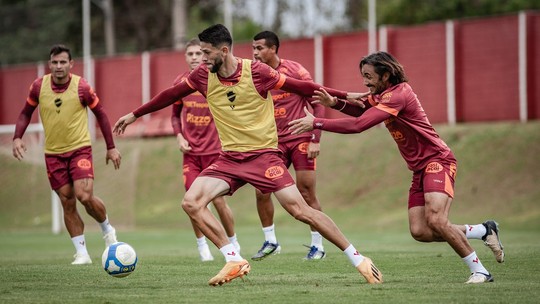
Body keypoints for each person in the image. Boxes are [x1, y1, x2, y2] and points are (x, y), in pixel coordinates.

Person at [114, 24, 383, 286]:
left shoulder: (256, 72)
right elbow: (170, 94)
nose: (202, 59)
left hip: (263, 157)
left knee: (301, 210)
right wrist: (134, 114)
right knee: (191, 202)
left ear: (223, 50)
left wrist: (344, 95)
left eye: (207, 53)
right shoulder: (201, 76)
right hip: (228, 160)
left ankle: (358, 258)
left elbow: (302, 86)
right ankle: (233, 259)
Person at [288, 51, 505, 284]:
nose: (365, 82)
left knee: (437, 220)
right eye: (363, 76)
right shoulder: (383, 95)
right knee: (420, 231)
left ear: (386, 74)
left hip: (437, 160)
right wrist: (336, 103)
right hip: (419, 168)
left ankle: (480, 271)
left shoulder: (398, 95)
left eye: (369, 76)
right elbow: (362, 110)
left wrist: (317, 122)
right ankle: (483, 231)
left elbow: (360, 124)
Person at [12, 44, 122, 265]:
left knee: (84, 196)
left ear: (71, 64)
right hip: (53, 154)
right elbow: (25, 113)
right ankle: (81, 253)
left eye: (63, 62)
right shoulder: (38, 87)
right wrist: (17, 137)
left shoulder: (81, 86)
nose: (59, 66)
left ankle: (108, 230)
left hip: (79, 149)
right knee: (67, 201)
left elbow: (101, 114)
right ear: (50, 64)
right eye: (55, 62)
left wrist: (111, 147)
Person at [251, 30, 326, 261]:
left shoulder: (296, 71)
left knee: (306, 192)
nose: (255, 53)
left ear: (273, 49)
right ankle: (271, 241)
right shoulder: (253, 75)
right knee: (262, 190)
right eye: (253, 49)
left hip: (301, 138)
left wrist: (316, 138)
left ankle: (318, 246)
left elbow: (319, 102)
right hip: (272, 142)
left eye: (259, 48)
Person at [171, 38, 240, 261]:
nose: (193, 57)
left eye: (197, 54)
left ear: (204, 55)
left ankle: (233, 241)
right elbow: (174, 115)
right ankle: (203, 247)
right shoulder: (180, 83)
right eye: (189, 54)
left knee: (219, 201)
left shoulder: (215, 79)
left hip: (215, 153)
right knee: (192, 200)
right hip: (191, 154)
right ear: (185, 57)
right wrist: (179, 136)